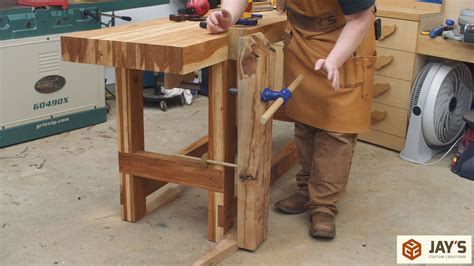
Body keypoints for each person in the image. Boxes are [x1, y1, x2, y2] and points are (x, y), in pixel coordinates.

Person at [206, 0, 376, 239]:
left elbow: (359, 18)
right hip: (302, 41)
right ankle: (307, 190)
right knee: (305, 120)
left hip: (344, 41)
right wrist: (228, 16)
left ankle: (323, 206)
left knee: (337, 128)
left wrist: (334, 60)